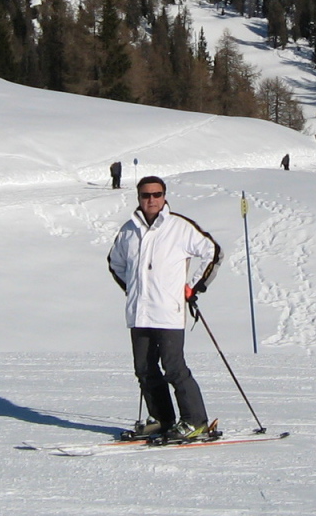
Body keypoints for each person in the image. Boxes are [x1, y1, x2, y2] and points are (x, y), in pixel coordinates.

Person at [107, 176, 219, 443]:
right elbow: (115, 263)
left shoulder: (179, 227)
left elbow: (212, 252)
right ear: (138, 198)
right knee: (144, 369)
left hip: (168, 311)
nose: (151, 200)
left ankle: (195, 421)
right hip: (139, 312)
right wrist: (135, 287)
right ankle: (162, 419)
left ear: (164, 196)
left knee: (174, 367)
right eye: (146, 195)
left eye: (157, 194)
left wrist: (193, 286)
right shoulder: (128, 230)